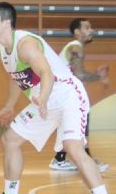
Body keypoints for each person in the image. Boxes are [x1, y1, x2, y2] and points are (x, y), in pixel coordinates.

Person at [0, 2, 116, 194]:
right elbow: (16, 77)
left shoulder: (26, 44)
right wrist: (10, 105)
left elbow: (47, 74)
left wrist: (41, 97)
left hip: (66, 95)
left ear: (6, 22)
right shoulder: (4, 49)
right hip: (44, 100)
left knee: (73, 149)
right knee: (10, 140)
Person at [47, 19, 110, 172]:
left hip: (60, 91)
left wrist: (96, 75)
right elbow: (80, 75)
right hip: (64, 92)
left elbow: (77, 74)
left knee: (69, 124)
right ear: (77, 31)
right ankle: (86, 161)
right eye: (87, 27)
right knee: (81, 121)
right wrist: (99, 77)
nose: (91, 30)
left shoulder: (74, 47)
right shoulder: (75, 46)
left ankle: (60, 159)